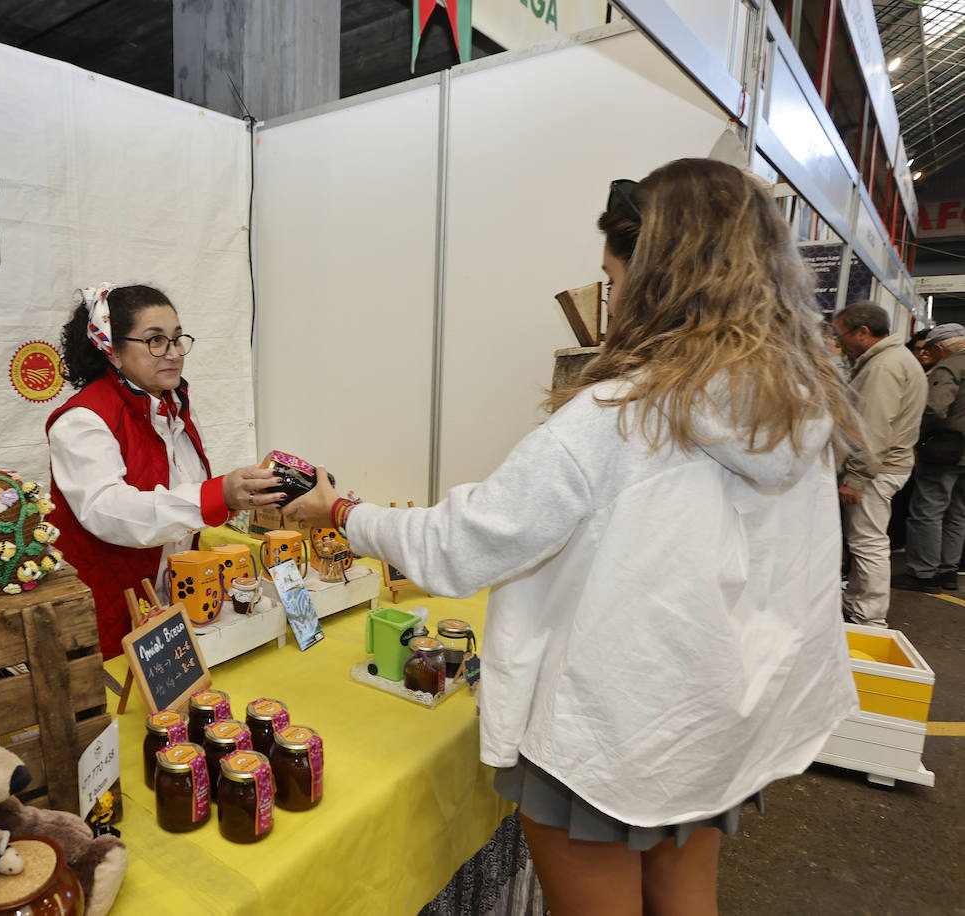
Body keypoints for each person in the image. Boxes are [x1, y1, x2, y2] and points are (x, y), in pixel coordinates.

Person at [284, 159, 859, 916]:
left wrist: (341, 512)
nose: (608, 301)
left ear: (658, 281)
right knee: (686, 902)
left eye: (612, 280)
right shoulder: (799, 414)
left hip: (606, 732)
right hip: (714, 722)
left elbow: (462, 545)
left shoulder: (617, 418)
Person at [46, 284, 280, 657]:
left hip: (170, 602)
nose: (173, 354)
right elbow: (109, 512)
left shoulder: (174, 406)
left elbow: (187, 495)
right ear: (115, 351)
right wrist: (216, 495)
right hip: (108, 609)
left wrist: (248, 492)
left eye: (176, 340)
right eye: (156, 341)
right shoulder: (82, 420)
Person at [833, 303, 927, 625]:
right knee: (867, 540)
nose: (839, 342)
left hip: (877, 470)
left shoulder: (883, 367)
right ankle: (858, 601)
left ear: (863, 332)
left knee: (867, 542)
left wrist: (855, 478)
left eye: (841, 334)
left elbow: (871, 428)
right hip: (886, 466)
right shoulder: (894, 360)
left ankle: (869, 618)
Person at [894, 323, 965, 593]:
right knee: (958, 514)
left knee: (928, 512)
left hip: (944, 453)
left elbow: (935, 408)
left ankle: (924, 574)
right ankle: (948, 571)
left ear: (938, 348)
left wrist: (917, 435)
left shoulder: (949, 367)